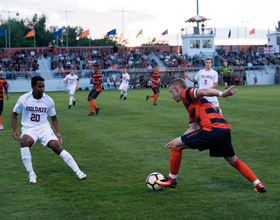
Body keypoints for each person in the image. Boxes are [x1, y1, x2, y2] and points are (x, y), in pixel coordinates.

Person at [154, 78, 266, 193]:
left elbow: (202, 91)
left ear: (177, 89)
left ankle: (172, 180)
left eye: (171, 92)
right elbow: (193, 128)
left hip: (212, 129)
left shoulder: (185, 93)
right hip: (224, 129)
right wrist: (176, 141)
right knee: (233, 160)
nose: (171, 96)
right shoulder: (190, 104)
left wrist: (222, 94)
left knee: (176, 145)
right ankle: (259, 185)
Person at [12, 76, 86, 183]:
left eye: (43, 86)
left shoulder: (48, 100)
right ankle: (31, 174)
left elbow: (53, 117)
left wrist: (58, 134)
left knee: (57, 147)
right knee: (24, 142)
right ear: (32, 86)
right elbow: (14, 114)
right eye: (39, 86)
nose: (42, 89)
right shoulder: (24, 99)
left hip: (44, 129)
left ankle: (79, 172)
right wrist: (15, 130)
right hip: (29, 130)